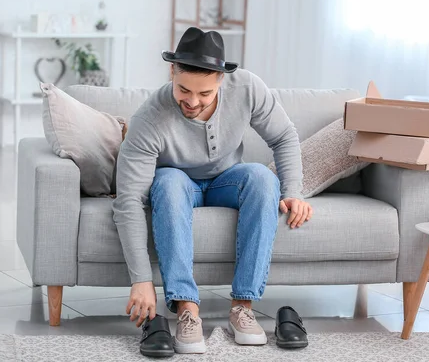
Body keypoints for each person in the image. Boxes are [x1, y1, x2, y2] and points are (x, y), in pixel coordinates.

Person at [112, 27, 313, 357]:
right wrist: (141, 280)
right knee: (167, 181)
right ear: (172, 73)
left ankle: (242, 308)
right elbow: (129, 201)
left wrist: (294, 191)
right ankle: (188, 311)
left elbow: (284, 137)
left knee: (262, 178)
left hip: (226, 181)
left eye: (204, 93)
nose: (192, 101)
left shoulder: (247, 87)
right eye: (183, 90)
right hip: (177, 185)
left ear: (222, 80)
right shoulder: (149, 118)